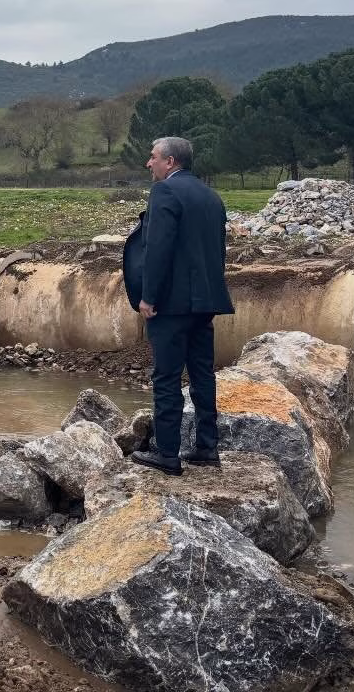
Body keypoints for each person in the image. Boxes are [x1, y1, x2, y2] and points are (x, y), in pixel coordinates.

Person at [120, 136, 233, 475]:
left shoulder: (164, 191)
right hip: (205, 302)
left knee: (166, 377)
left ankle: (167, 454)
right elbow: (217, 251)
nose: (148, 163)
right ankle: (207, 447)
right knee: (202, 374)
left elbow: (158, 248)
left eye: (153, 157)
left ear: (169, 162)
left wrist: (148, 297)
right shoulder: (211, 196)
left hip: (171, 305)